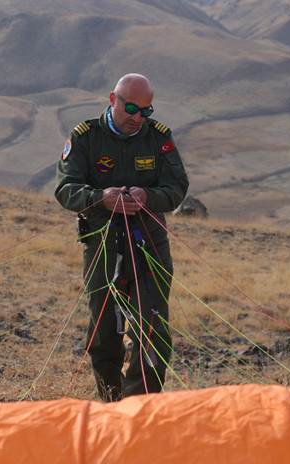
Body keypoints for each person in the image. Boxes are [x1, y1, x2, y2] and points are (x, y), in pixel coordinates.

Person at [54, 73, 189, 401]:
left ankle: (139, 406)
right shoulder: (86, 137)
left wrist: (148, 197)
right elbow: (64, 188)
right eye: (131, 108)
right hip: (103, 242)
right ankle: (111, 401)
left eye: (146, 110)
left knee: (153, 325)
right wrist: (99, 198)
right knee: (104, 327)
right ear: (112, 99)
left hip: (150, 243)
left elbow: (177, 187)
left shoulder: (158, 138)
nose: (137, 117)